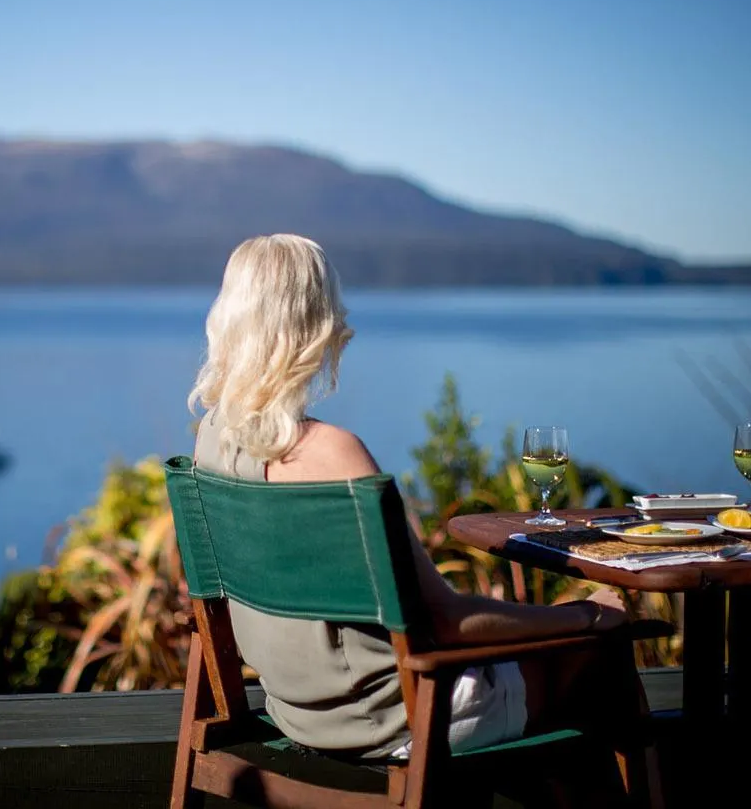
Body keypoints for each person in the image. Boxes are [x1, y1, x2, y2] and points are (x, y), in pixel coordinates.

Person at [188, 233, 637, 760]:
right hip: (401, 718)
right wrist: (585, 615)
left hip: (300, 712)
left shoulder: (211, 441)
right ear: (317, 326)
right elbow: (443, 621)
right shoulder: (333, 455)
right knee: (603, 659)